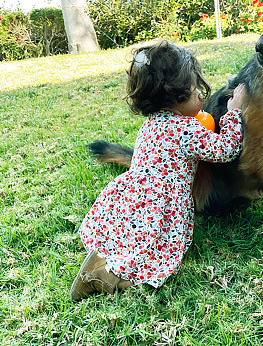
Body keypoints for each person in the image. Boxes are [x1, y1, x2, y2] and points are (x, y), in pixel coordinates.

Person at [69, 39, 245, 300]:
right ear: (176, 96)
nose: (200, 96)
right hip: (160, 204)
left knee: (129, 236)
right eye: (195, 89)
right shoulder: (188, 129)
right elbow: (225, 149)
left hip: (132, 194)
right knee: (154, 250)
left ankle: (100, 258)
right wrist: (234, 112)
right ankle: (104, 276)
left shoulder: (151, 124)